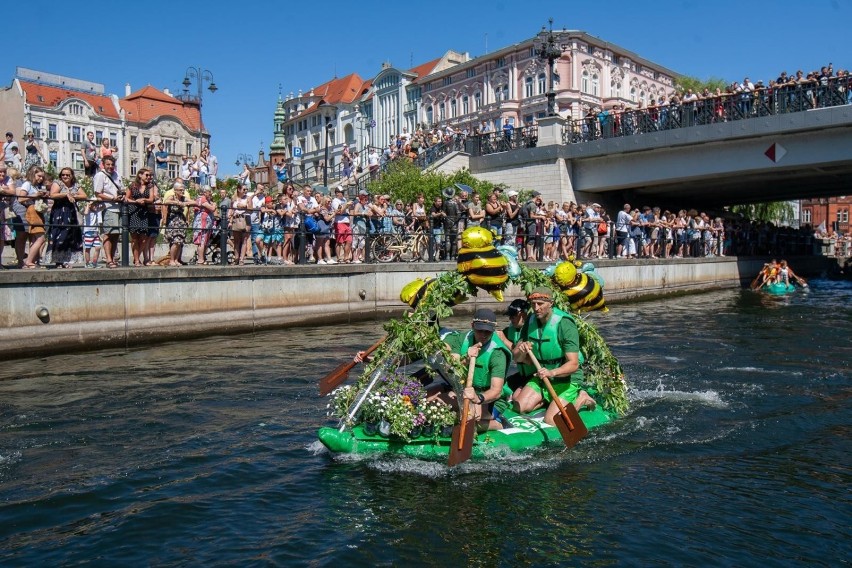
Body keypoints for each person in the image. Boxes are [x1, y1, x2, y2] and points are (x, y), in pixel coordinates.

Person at [511, 287, 596, 426]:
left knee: (552, 421)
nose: (536, 308)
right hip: (543, 376)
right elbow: (517, 358)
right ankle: (547, 398)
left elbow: (573, 364)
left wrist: (552, 372)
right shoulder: (530, 321)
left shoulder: (565, 324)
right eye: (533, 304)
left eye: (540, 304)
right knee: (519, 407)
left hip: (566, 378)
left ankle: (581, 398)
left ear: (551, 303)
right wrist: (521, 350)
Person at [47, 167, 85, 268]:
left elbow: (84, 195)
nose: (65, 176)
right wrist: (65, 194)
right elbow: (53, 194)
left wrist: (73, 195)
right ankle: (58, 260)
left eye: (68, 175)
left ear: (72, 176)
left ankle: (67, 260)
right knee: (59, 235)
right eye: (63, 174)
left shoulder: (75, 185)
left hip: (71, 212)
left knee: (70, 235)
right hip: (59, 212)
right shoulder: (57, 183)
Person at [496, 299, 531, 397]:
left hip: (534, 375)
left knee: (516, 396)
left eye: (513, 316)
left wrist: (505, 341)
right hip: (522, 375)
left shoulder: (532, 332)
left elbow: (527, 359)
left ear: (523, 314)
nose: (510, 319)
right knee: (501, 388)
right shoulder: (509, 331)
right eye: (509, 316)